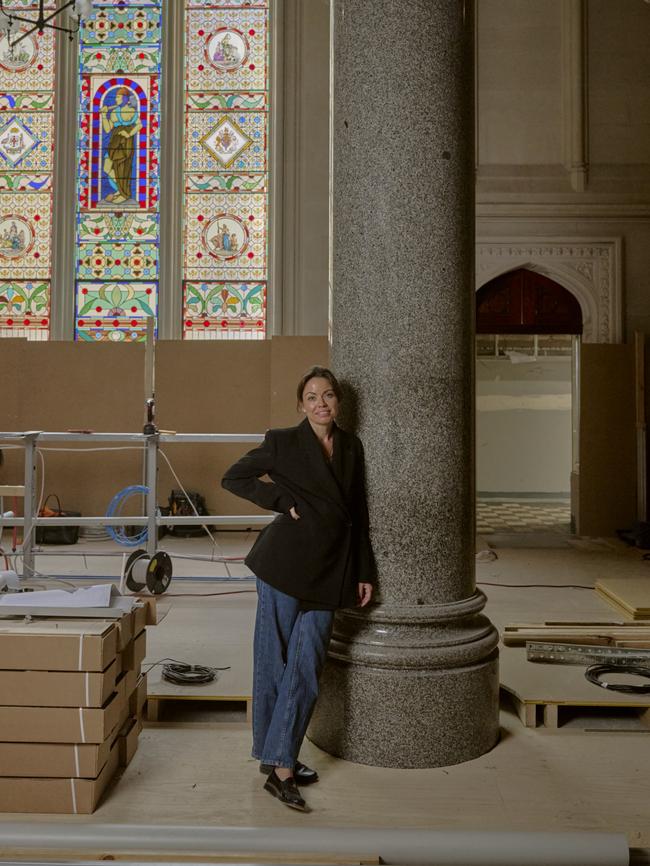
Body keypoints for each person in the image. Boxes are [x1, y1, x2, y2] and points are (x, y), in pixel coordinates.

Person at [221, 366, 376, 812]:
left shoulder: (351, 446)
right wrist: (281, 500)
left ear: (338, 403)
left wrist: (363, 571)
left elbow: (358, 513)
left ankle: (278, 759)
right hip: (283, 568)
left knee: (305, 669)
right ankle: (281, 765)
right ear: (300, 405)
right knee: (274, 664)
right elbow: (234, 478)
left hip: (331, 571)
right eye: (312, 397)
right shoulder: (282, 442)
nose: (321, 403)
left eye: (328, 396)